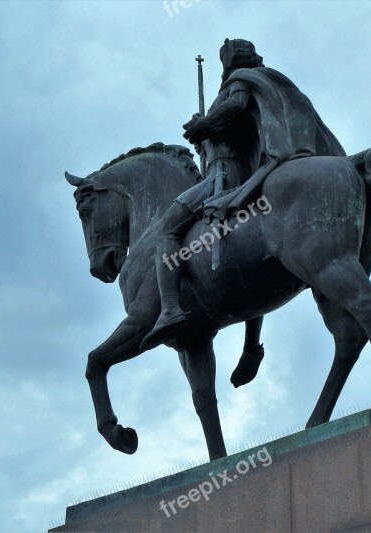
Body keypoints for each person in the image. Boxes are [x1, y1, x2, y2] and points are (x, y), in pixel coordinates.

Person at [140, 38, 345, 351]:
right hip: (238, 171)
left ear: (229, 61)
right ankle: (251, 344)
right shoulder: (255, 81)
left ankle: (169, 309)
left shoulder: (238, 83)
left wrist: (204, 124)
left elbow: (235, 107)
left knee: (168, 229)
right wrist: (206, 136)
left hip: (224, 176)